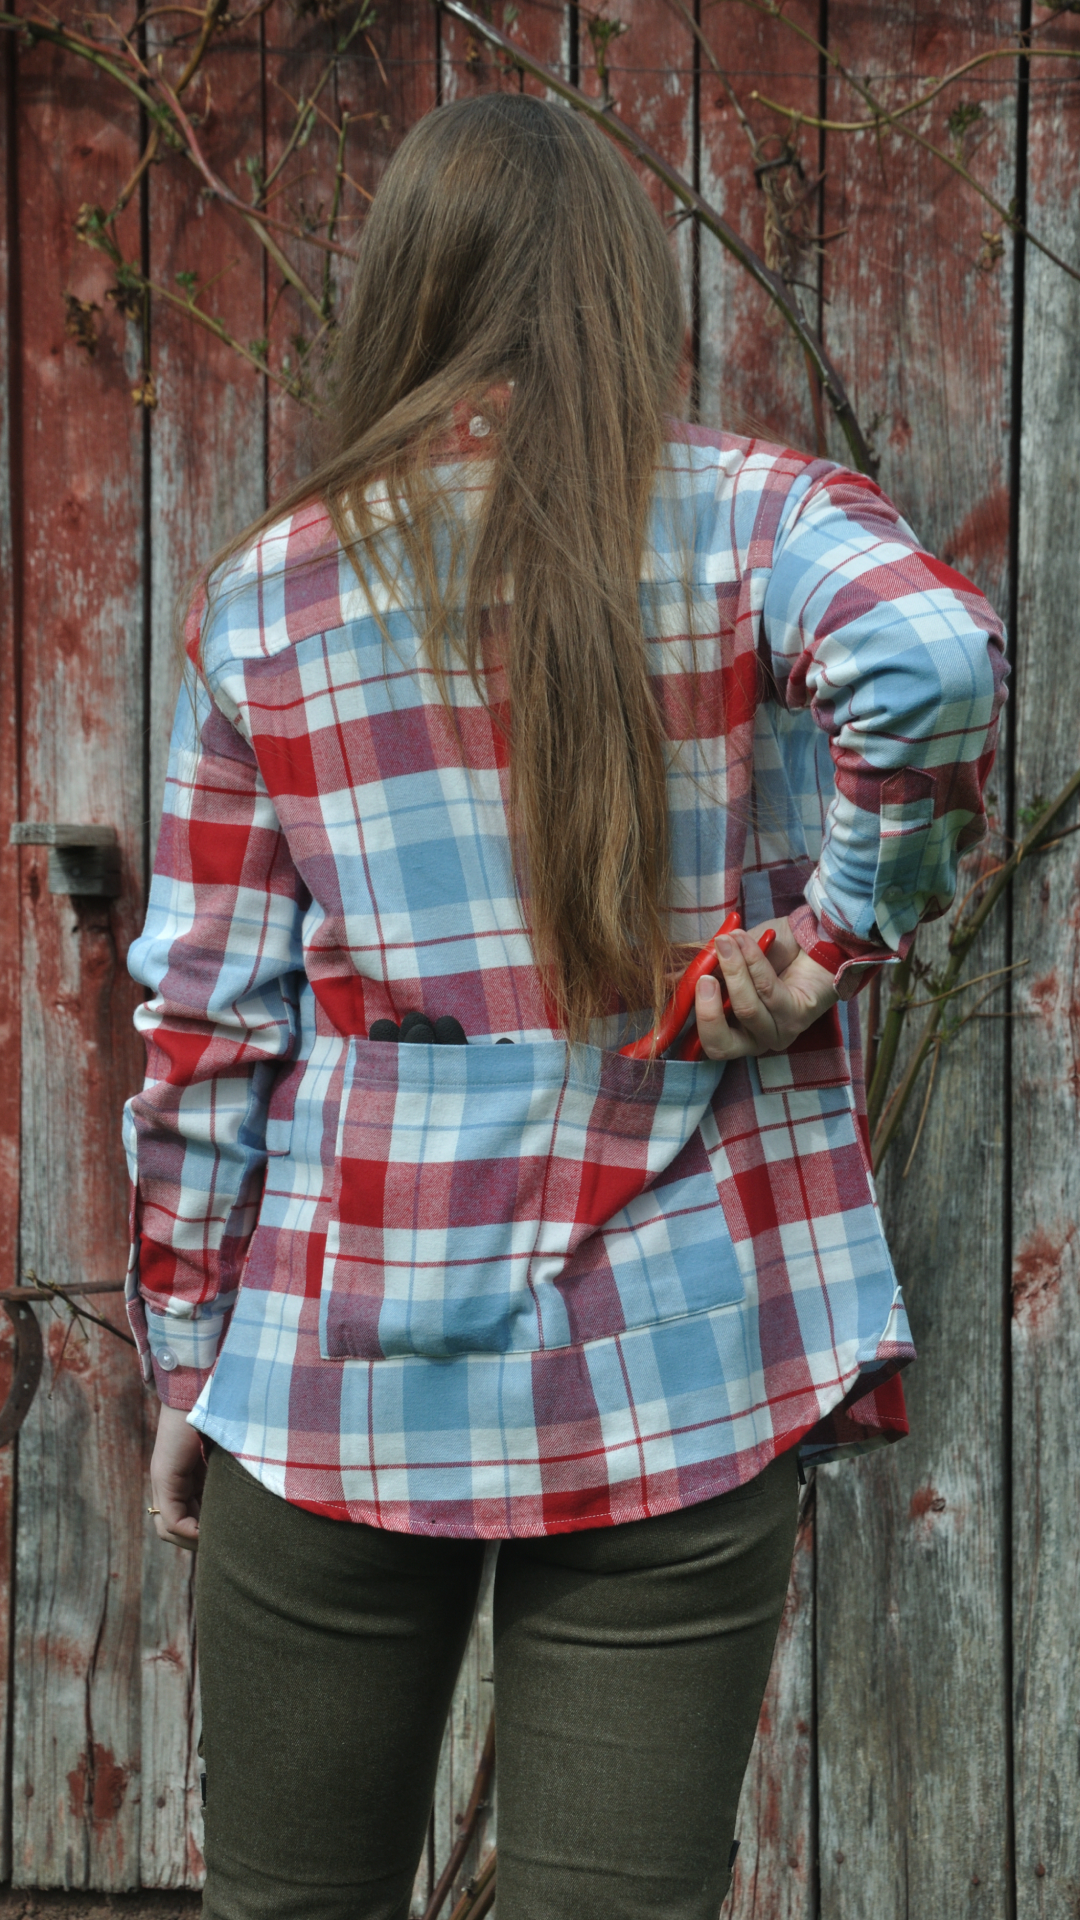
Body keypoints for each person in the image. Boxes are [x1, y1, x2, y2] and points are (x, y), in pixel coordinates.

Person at [124, 92, 1006, 1920]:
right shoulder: (751, 518)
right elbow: (927, 655)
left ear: (402, 289)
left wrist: (187, 1359)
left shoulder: (271, 595)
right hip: (675, 1359)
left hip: (338, 1367)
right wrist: (840, 934)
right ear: (621, 287)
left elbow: (207, 1032)